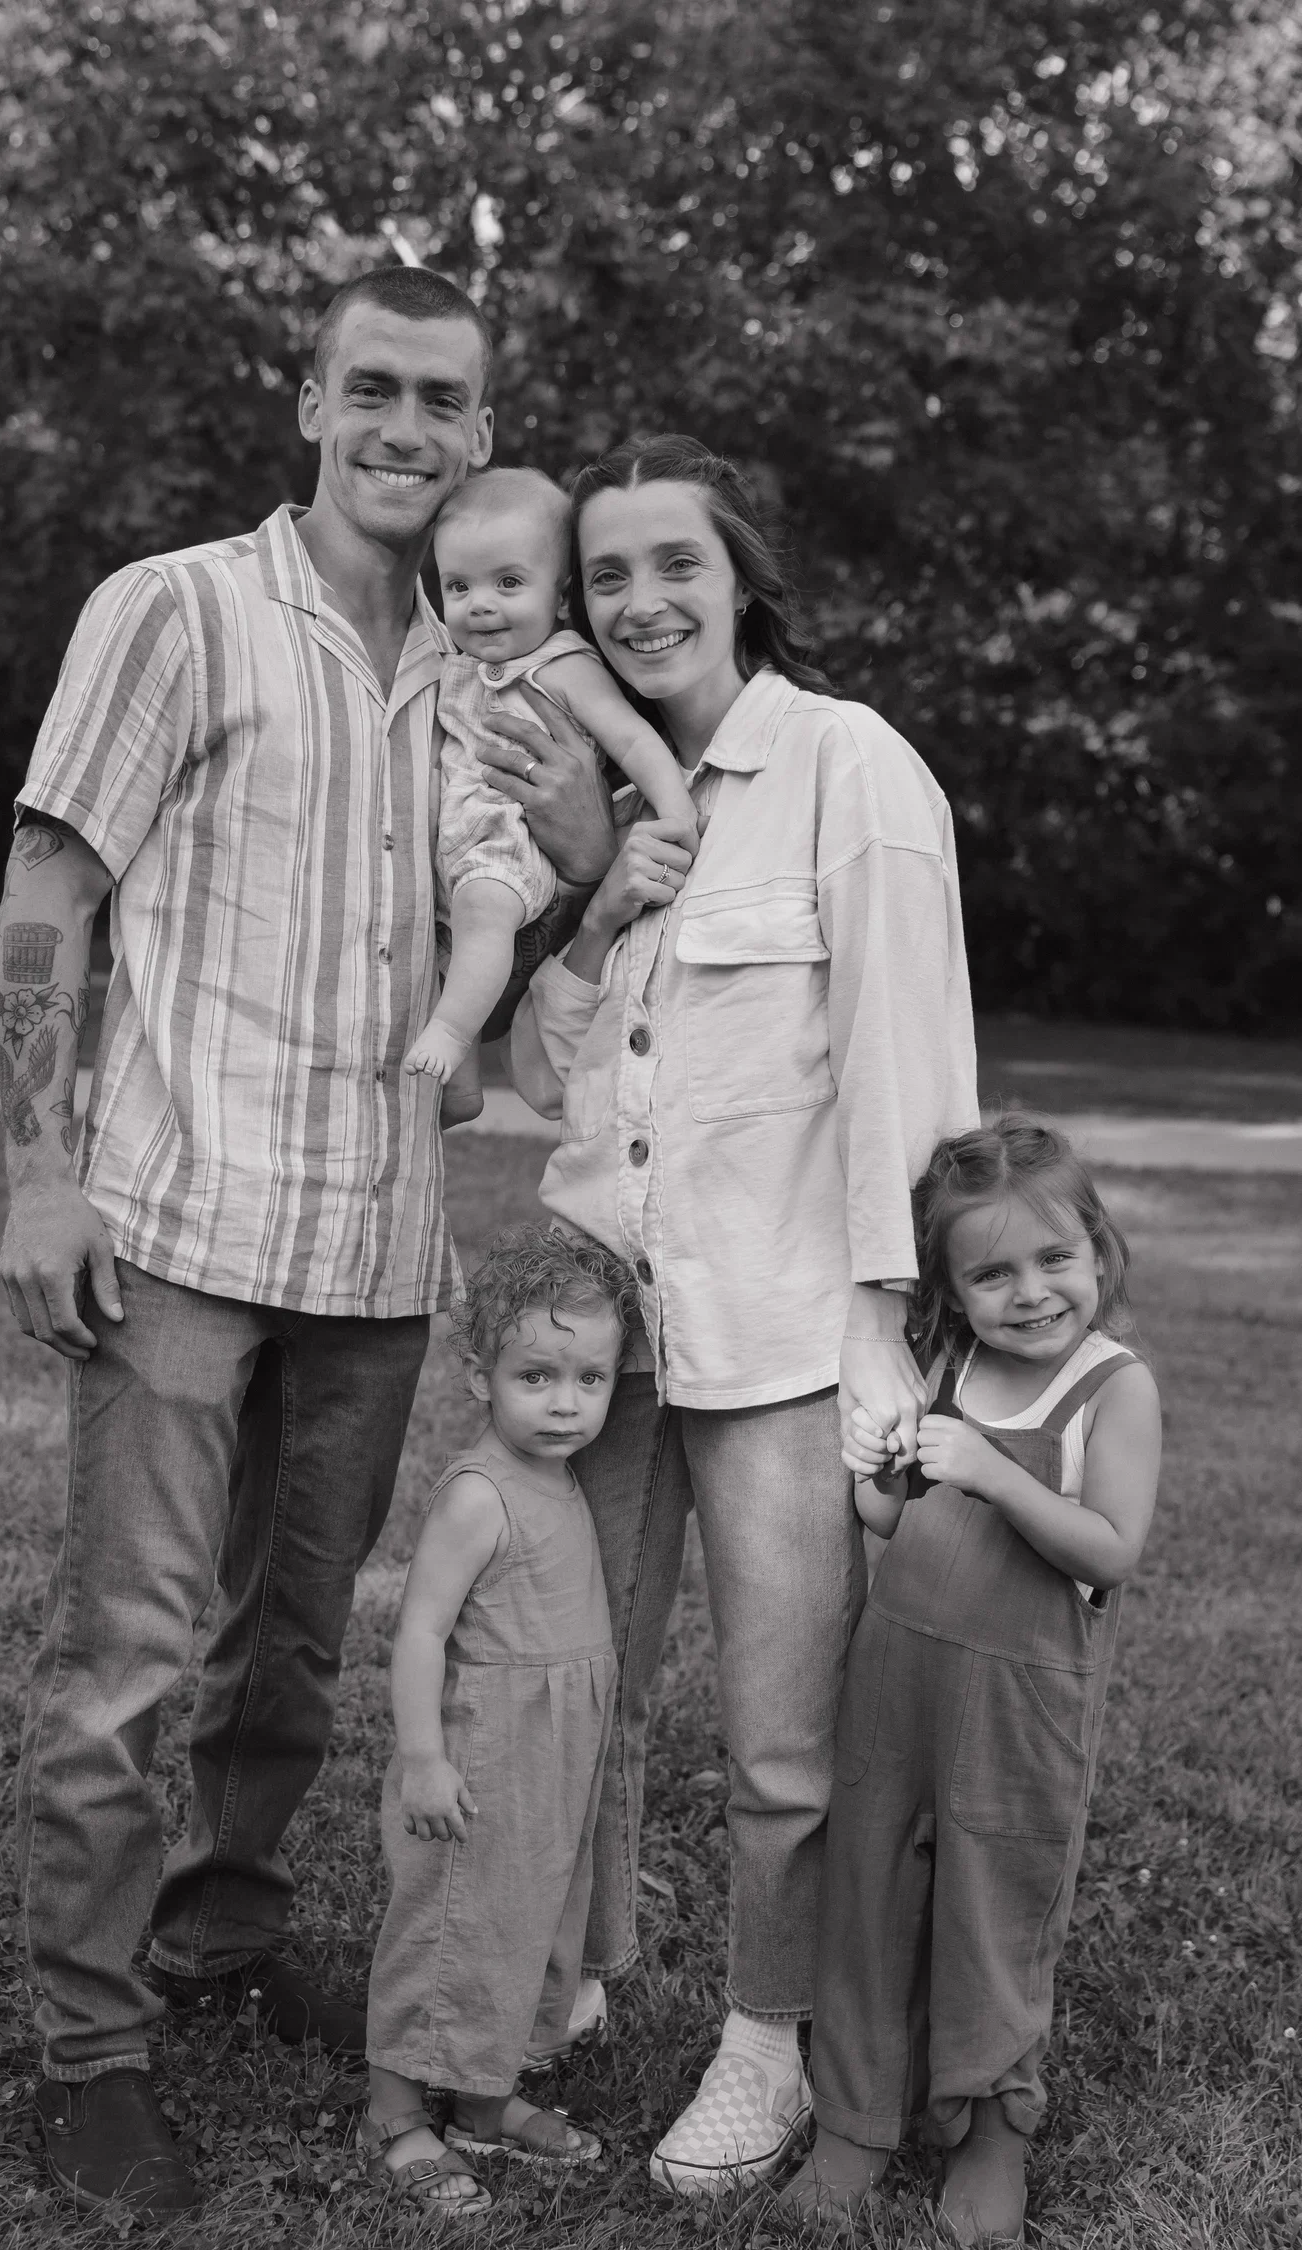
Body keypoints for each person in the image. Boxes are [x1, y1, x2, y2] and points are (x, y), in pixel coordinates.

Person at [0, 266, 614, 2219]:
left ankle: (222, 1938)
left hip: (370, 1249)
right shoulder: (173, 608)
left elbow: (562, 892)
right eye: (375, 390)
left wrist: (572, 808)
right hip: (178, 1221)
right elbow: (46, 892)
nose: (407, 429)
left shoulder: (477, 660)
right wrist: (37, 1169)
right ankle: (91, 2049)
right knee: (129, 1662)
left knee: (288, 1658)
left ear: (486, 432)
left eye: (446, 399)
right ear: (309, 399)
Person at [503, 433, 980, 2194]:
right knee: (565, 1683)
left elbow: (912, 1082)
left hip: (789, 1347)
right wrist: (581, 898)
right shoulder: (607, 802)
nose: (639, 601)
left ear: (741, 577)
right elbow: (534, 1071)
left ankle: (766, 2051)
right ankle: (546, 1988)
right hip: (601, 1328)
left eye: (671, 564)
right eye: (605, 575)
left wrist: (891, 1350)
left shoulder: (849, 766)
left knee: (786, 1744)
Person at [779, 1119, 1162, 2244]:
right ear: (950, 1288)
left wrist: (992, 1472)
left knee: (993, 1904)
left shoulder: (1112, 1389)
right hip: (897, 1677)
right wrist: (882, 1474)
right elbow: (886, 1520)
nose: (1030, 1293)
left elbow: (1112, 1549)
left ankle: (994, 2128)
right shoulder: (944, 1368)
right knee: (869, 1888)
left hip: (1020, 1701)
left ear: (1096, 1250)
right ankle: (854, 2120)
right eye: (991, 1273)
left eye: (1055, 1261)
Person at [360, 1224, 635, 2216]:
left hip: (551, 1758)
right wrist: (424, 1758)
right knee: (451, 1927)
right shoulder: (482, 1495)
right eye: (536, 1376)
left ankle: (483, 2100)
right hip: (480, 1756)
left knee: (522, 1923)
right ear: (480, 1377)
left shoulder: (560, 1475)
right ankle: (394, 2112)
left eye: (589, 1380)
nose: (565, 1402)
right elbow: (421, 1631)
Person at [405, 465, 696, 1117]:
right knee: (425, 950)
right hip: (454, 849)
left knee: (482, 919)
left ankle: (451, 1039)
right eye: (459, 585)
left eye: (508, 583)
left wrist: (675, 807)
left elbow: (633, 742)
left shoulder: (561, 665)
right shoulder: (456, 666)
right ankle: (461, 1086)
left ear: (559, 596)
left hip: (506, 848)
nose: (481, 603)